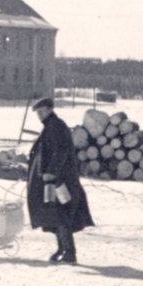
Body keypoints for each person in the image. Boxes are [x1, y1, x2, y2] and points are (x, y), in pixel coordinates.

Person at [27, 97, 93, 264]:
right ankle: (61, 248)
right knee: (54, 214)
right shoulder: (51, 125)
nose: (39, 115)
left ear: (50, 109)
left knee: (61, 215)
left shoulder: (56, 126)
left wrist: (51, 172)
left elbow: (60, 152)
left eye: (42, 111)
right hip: (54, 179)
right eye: (38, 113)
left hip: (61, 180)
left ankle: (70, 253)